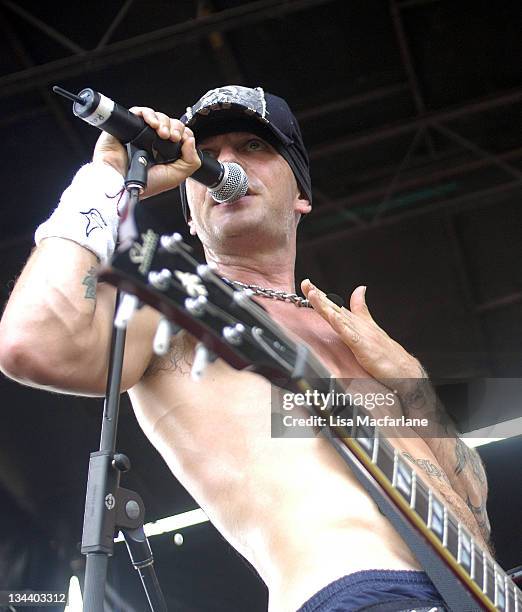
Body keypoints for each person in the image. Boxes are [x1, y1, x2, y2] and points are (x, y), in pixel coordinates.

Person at [0, 85, 491, 612]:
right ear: (190, 210)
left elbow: (475, 502)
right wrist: (105, 177)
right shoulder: (170, 304)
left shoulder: (349, 333)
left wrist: (409, 384)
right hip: (358, 592)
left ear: (301, 193)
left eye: (253, 147)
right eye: (208, 157)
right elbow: (33, 341)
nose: (225, 164)